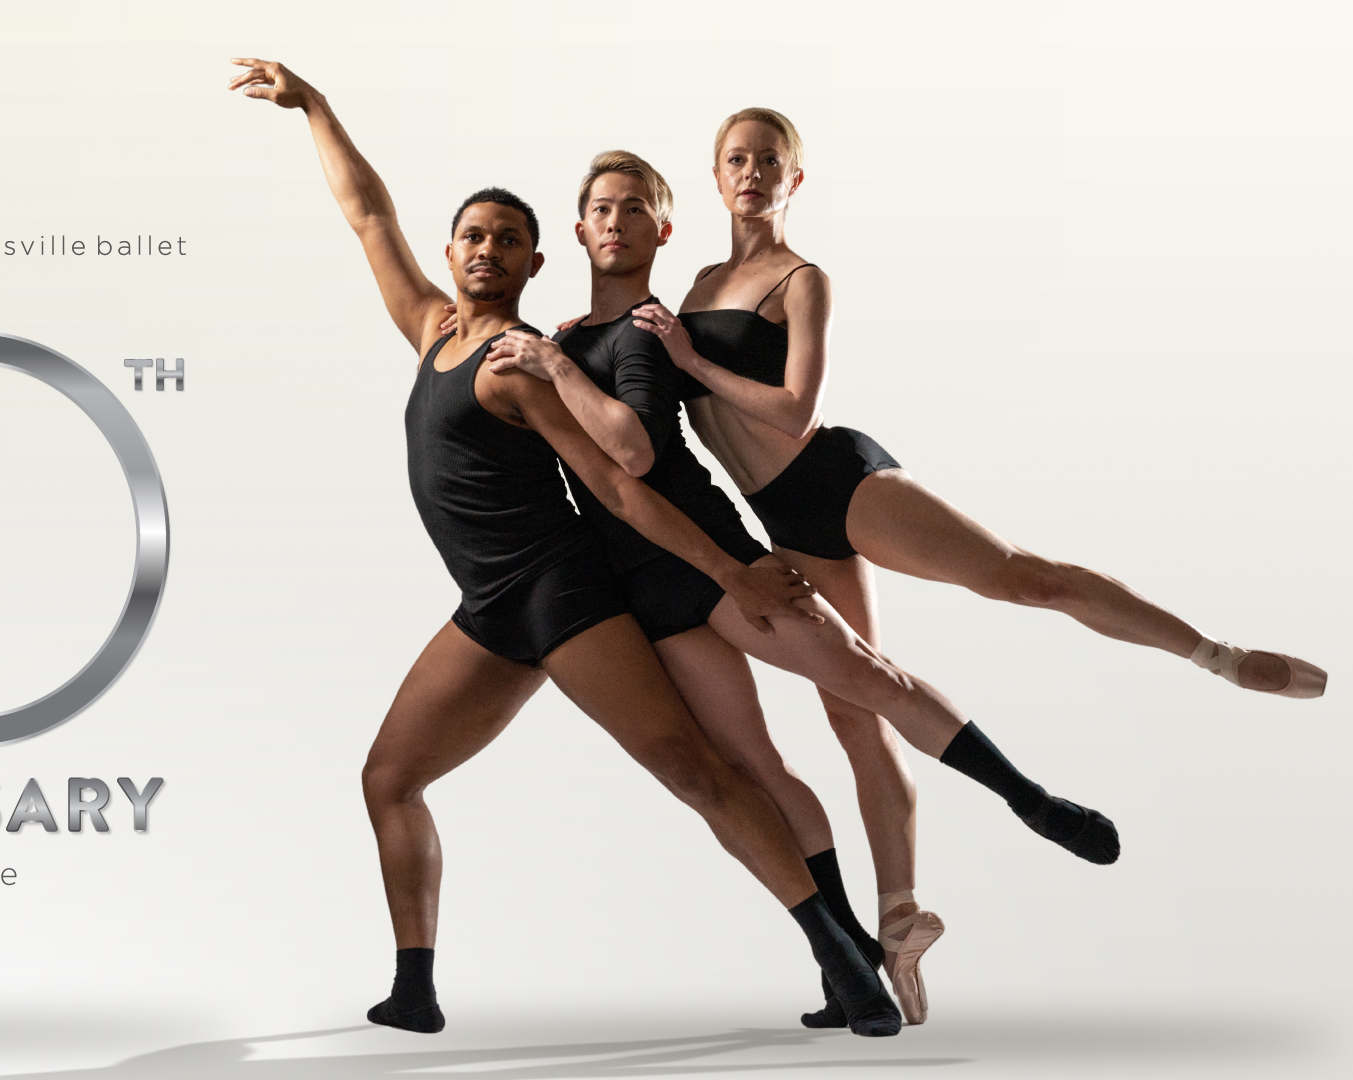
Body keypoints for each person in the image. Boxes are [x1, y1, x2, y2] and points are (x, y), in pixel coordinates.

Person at [229, 58, 903, 1038]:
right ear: (452, 250)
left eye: (509, 239)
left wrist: (728, 570)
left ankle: (842, 956)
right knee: (389, 778)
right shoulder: (430, 331)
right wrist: (315, 108)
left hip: (562, 595)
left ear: (534, 264)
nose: (486, 249)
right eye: (473, 234)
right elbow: (367, 214)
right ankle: (414, 985)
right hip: (489, 606)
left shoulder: (518, 368)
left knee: (696, 770)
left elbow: (618, 489)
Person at [470, 151, 1106, 1027]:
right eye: (599, 211)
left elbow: (636, 453)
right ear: (578, 231)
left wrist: (561, 369)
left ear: (662, 231)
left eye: (632, 210)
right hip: (642, 587)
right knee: (756, 768)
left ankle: (1030, 799)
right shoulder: (564, 338)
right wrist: (552, 359)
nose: (613, 223)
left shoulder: (646, 332)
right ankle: (848, 965)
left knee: (868, 681)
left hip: (714, 559)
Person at [635, 107, 1326, 707]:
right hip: (781, 517)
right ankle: (892, 866)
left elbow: (795, 412)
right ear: (717, 178)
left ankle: (1219, 656)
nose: (752, 171)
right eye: (737, 160)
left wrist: (692, 361)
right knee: (856, 704)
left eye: (769, 160)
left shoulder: (803, 279)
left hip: (838, 482)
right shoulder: (695, 289)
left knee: (1024, 580)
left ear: (794, 180)